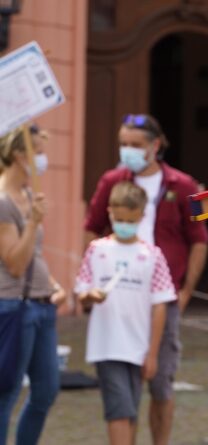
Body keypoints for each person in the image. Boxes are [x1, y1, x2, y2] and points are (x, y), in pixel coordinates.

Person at [84, 114, 208, 445]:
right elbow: (91, 226)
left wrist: (184, 293)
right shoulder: (113, 180)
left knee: (159, 381)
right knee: (124, 384)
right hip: (119, 299)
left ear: (155, 145)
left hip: (160, 300)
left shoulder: (180, 185)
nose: (128, 151)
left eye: (135, 145)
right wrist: (92, 277)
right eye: (123, 144)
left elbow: (199, 239)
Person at [76, 181, 175, 445]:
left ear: (142, 216)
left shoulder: (152, 255)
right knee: (118, 411)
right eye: (118, 218)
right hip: (106, 346)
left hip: (138, 346)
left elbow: (160, 305)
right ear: (109, 212)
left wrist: (152, 354)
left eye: (129, 220)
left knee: (130, 412)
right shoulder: (97, 250)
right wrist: (89, 296)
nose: (123, 224)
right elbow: (82, 293)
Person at [0, 125, 67, 445]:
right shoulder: (3, 201)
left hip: (41, 303)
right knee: (7, 390)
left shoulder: (29, 195)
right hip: (14, 305)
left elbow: (35, 256)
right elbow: (14, 262)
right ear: (18, 155)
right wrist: (34, 223)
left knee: (46, 389)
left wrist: (53, 283)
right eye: (37, 152)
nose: (43, 159)